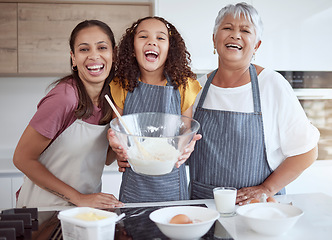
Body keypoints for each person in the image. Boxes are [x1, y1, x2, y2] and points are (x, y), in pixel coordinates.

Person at [188, 2, 320, 205]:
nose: (235, 35)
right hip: (203, 208)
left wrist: (267, 189)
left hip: (256, 209)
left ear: (256, 45)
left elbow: (307, 152)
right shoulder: (197, 88)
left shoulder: (271, 85)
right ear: (214, 40)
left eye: (245, 30)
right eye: (227, 28)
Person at [13, 20, 123, 208]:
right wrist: (79, 198)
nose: (94, 56)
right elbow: (22, 159)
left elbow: (106, 158)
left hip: (85, 209)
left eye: (102, 47)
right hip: (44, 209)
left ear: (114, 53)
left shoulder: (112, 99)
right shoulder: (64, 98)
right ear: (73, 57)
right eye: (84, 49)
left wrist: (120, 145)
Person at [108, 16, 202, 203]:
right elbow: (117, 132)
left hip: (172, 184)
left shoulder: (185, 86)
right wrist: (115, 146)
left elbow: (185, 135)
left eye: (160, 38)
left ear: (170, 49)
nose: (152, 41)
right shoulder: (121, 85)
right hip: (134, 184)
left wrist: (188, 145)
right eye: (143, 37)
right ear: (132, 49)